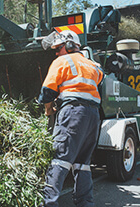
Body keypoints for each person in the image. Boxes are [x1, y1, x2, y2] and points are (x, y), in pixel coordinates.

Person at [38, 30, 104, 207]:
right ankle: (85, 203)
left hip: (73, 113)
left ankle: (49, 203)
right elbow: (100, 80)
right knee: (82, 163)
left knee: (60, 158)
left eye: (58, 48)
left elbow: (47, 92)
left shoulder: (62, 61)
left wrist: (48, 109)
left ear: (68, 46)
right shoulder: (93, 65)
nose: (56, 52)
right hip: (93, 116)